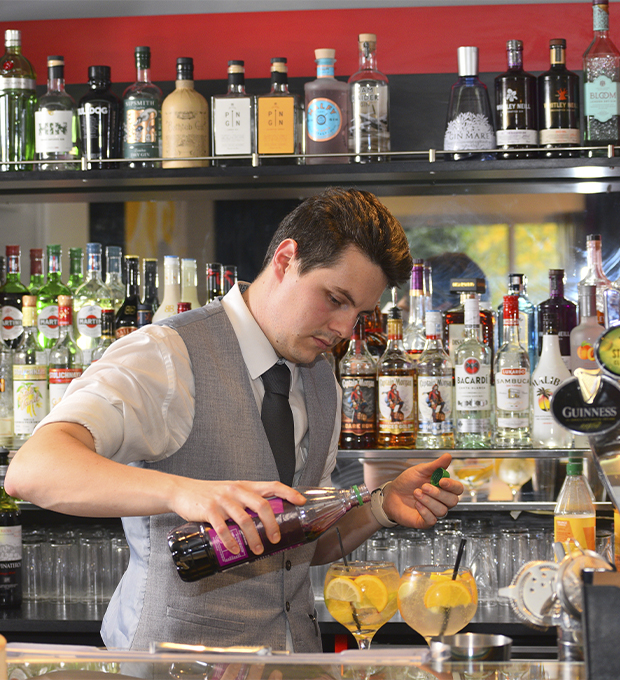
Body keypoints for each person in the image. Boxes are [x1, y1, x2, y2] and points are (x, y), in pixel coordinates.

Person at [6, 187, 463, 653]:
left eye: (360, 313)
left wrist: (380, 507)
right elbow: (33, 470)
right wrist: (183, 491)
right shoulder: (166, 355)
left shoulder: (322, 381)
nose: (345, 329)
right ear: (286, 260)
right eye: (334, 299)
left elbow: (298, 545)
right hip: (173, 665)